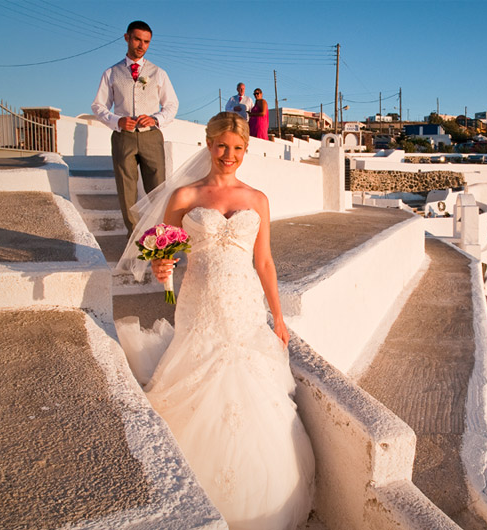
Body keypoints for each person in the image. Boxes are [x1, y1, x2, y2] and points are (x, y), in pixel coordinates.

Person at [115, 112, 314, 530]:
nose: (230, 155)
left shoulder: (257, 199)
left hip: (243, 304)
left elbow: (264, 262)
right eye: (223, 146)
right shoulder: (185, 196)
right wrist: (162, 269)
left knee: (251, 386)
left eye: (238, 148)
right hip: (198, 303)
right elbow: (163, 252)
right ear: (208, 145)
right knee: (197, 375)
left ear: (246, 150)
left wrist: (277, 317)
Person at [91, 20, 179, 235]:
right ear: (127, 38)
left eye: (146, 42)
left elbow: (172, 104)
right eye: (138, 39)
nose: (142, 45)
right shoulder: (111, 73)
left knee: (158, 189)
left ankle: (162, 239)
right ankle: (134, 241)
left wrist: (156, 119)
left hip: (151, 137)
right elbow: (98, 105)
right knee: (126, 191)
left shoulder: (158, 72)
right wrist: (116, 120)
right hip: (124, 137)